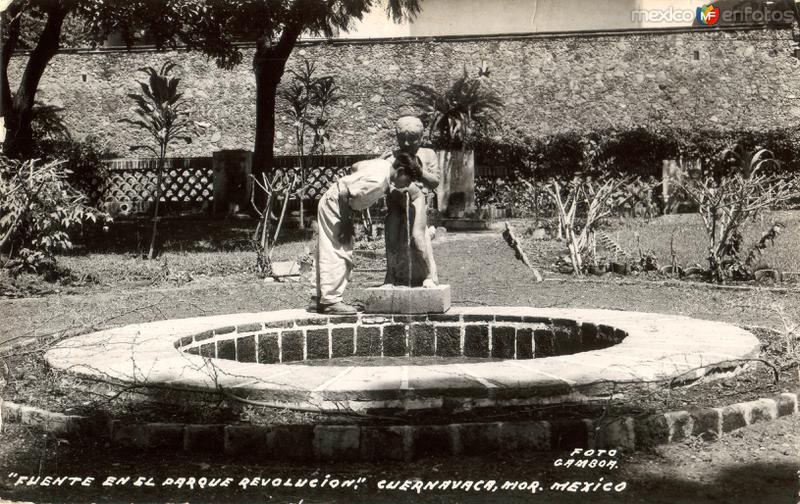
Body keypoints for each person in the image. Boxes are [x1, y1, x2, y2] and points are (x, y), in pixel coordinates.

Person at [315, 152, 422, 314]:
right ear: (400, 171)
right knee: (340, 250)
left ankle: (316, 298)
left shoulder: (383, 165)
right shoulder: (378, 182)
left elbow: (355, 167)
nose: (407, 185)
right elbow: (344, 193)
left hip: (332, 199)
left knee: (327, 247)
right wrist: (346, 223)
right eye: (408, 180)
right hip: (336, 204)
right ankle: (331, 301)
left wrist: (359, 179)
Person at [382, 116, 440, 287]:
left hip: (417, 202)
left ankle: (430, 275)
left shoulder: (428, 154)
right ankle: (390, 277)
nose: (407, 144)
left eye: (412, 139)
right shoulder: (391, 157)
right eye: (402, 139)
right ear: (397, 137)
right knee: (391, 238)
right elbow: (383, 180)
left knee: (417, 238)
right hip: (395, 204)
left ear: (421, 137)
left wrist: (419, 171)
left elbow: (435, 181)